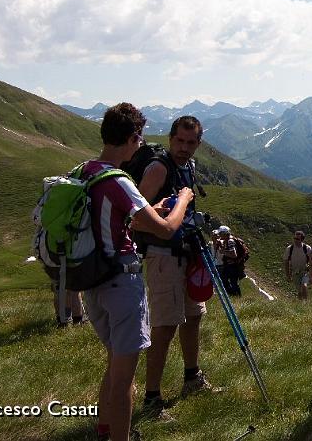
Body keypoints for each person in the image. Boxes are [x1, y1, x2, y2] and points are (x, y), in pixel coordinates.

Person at [83, 103, 193, 441]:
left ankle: (104, 430)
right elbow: (164, 230)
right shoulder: (118, 179)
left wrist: (149, 211)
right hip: (120, 282)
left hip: (90, 279)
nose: (140, 145)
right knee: (125, 378)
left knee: (115, 363)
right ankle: (121, 435)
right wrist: (183, 200)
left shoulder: (84, 170)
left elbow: (112, 219)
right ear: (132, 138)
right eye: (138, 139)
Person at [136, 116, 219, 418]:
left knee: (193, 317)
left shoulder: (188, 167)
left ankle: (192, 378)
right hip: (163, 256)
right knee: (165, 326)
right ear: (171, 139)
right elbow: (136, 214)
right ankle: (151, 398)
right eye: (180, 141)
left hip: (186, 253)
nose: (184, 148)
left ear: (198, 143)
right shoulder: (159, 168)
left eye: (191, 142)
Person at [217, 225, 248, 295]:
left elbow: (234, 255)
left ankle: (234, 295)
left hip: (232, 266)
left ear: (224, 233)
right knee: (232, 282)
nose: (219, 235)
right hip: (233, 265)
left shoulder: (230, 241)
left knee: (227, 280)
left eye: (220, 234)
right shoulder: (229, 240)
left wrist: (223, 252)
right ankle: (235, 295)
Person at [284, 230, 312, 300]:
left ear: (302, 240)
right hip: (295, 272)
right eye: (294, 238)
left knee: (304, 285)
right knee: (299, 291)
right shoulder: (289, 249)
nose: (295, 240)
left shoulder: (307, 248)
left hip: (305, 271)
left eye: (297, 239)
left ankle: (306, 304)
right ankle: (301, 305)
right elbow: (286, 262)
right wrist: (288, 275)